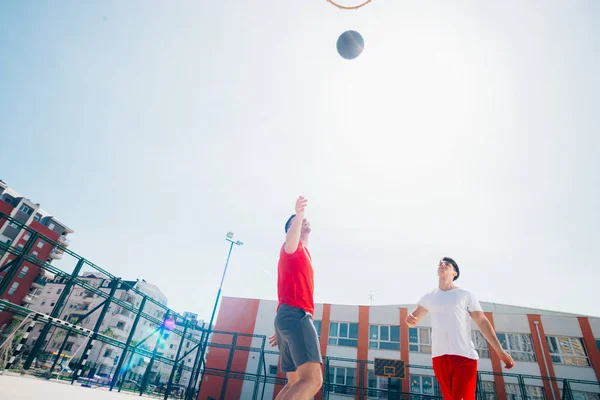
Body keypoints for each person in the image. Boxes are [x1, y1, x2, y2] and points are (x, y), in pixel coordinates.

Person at [406, 257, 515, 400]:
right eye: (440, 263)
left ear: (455, 273)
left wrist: (500, 351)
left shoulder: (465, 295)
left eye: (447, 264)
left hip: (464, 357)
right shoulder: (429, 297)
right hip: (439, 358)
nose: (442, 265)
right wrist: (409, 321)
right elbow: (413, 319)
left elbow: (482, 321)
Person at [268, 196, 323, 399]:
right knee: (313, 380)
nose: (304, 220)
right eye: (299, 221)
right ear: (292, 228)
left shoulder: (304, 252)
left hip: (285, 317)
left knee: (293, 382)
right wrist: (298, 216)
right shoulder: (291, 249)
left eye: (305, 219)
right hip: (296, 315)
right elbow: (291, 239)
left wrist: (280, 329)